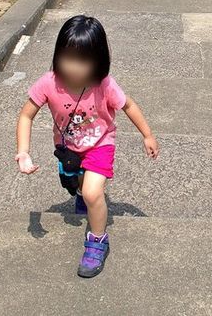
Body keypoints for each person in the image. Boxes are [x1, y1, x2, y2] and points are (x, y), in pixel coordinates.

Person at [15, 15, 159, 279]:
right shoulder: (49, 82)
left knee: (94, 193)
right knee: (77, 184)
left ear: (99, 60)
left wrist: (147, 135)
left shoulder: (104, 84)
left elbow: (128, 105)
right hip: (68, 146)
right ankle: (80, 191)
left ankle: (97, 241)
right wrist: (23, 151)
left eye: (83, 61)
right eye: (67, 57)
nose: (73, 67)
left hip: (100, 143)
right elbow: (26, 115)